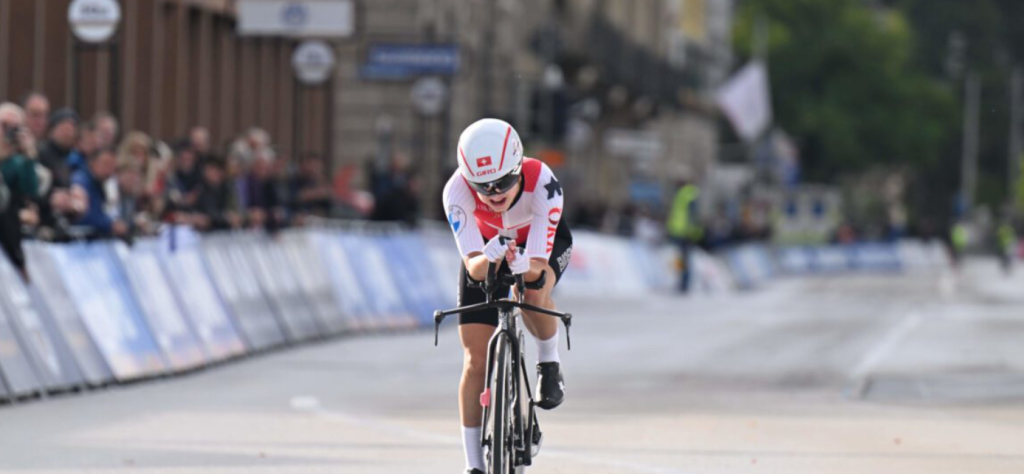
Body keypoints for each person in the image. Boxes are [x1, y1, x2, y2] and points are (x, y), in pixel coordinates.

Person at [441, 119, 572, 474]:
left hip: (537, 246)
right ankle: (473, 464)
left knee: (533, 291)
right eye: (483, 187)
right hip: (486, 253)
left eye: (505, 182)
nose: (496, 193)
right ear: (468, 181)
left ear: (518, 167)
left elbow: (540, 269)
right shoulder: (455, 192)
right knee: (474, 360)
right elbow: (473, 268)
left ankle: (548, 359)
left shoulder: (543, 182)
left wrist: (523, 263)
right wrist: (494, 255)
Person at [0, 102, 41, 281]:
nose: (7, 131)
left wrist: (29, 154)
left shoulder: (19, 162)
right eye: (4, 125)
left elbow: (31, 189)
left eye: (14, 127)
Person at [70, 147, 128, 239]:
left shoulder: (106, 184)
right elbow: (83, 214)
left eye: (112, 166)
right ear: (92, 162)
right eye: (105, 164)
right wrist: (109, 224)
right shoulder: (81, 181)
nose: (108, 170)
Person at [666, 179, 701, 293]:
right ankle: (682, 282)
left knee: (684, 259)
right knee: (681, 259)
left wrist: (691, 232)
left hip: (684, 233)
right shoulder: (685, 194)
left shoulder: (686, 195)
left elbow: (692, 216)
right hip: (680, 232)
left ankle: (684, 284)